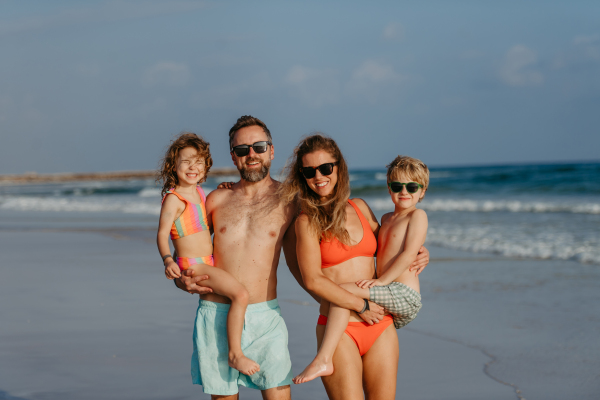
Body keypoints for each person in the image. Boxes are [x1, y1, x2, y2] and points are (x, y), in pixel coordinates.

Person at [175, 118, 429, 400]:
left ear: (271, 151)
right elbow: (187, 248)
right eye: (243, 149)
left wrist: (418, 251)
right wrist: (183, 279)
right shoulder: (216, 200)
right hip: (219, 313)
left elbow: (385, 245)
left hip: (269, 317)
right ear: (233, 156)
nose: (252, 154)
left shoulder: (292, 202)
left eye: (258, 147)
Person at [278, 134, 427, 400]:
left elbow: (392, 246)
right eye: (309, 171)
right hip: (341, 330)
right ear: (303, 176)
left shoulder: (360, 208)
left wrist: (421, 252)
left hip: (381, 324)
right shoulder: (306, 222)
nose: (318, 176)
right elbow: (312, 280)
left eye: (325, 168)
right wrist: (361, 306)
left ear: (338, 168)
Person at [156, 133, 260, 376]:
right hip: (194, 264)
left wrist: (224, 188)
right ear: (174, 166)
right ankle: (235, 354)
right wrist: (167, 259)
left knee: (228, 300)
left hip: (206, 262)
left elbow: (204, 225)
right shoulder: (174, 198)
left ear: (206, 167)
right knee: (241, 294)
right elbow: (162, 233)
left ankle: (231, 349)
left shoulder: (201, 193)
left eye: (199, 162)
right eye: (186, 162)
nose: (193, 167)